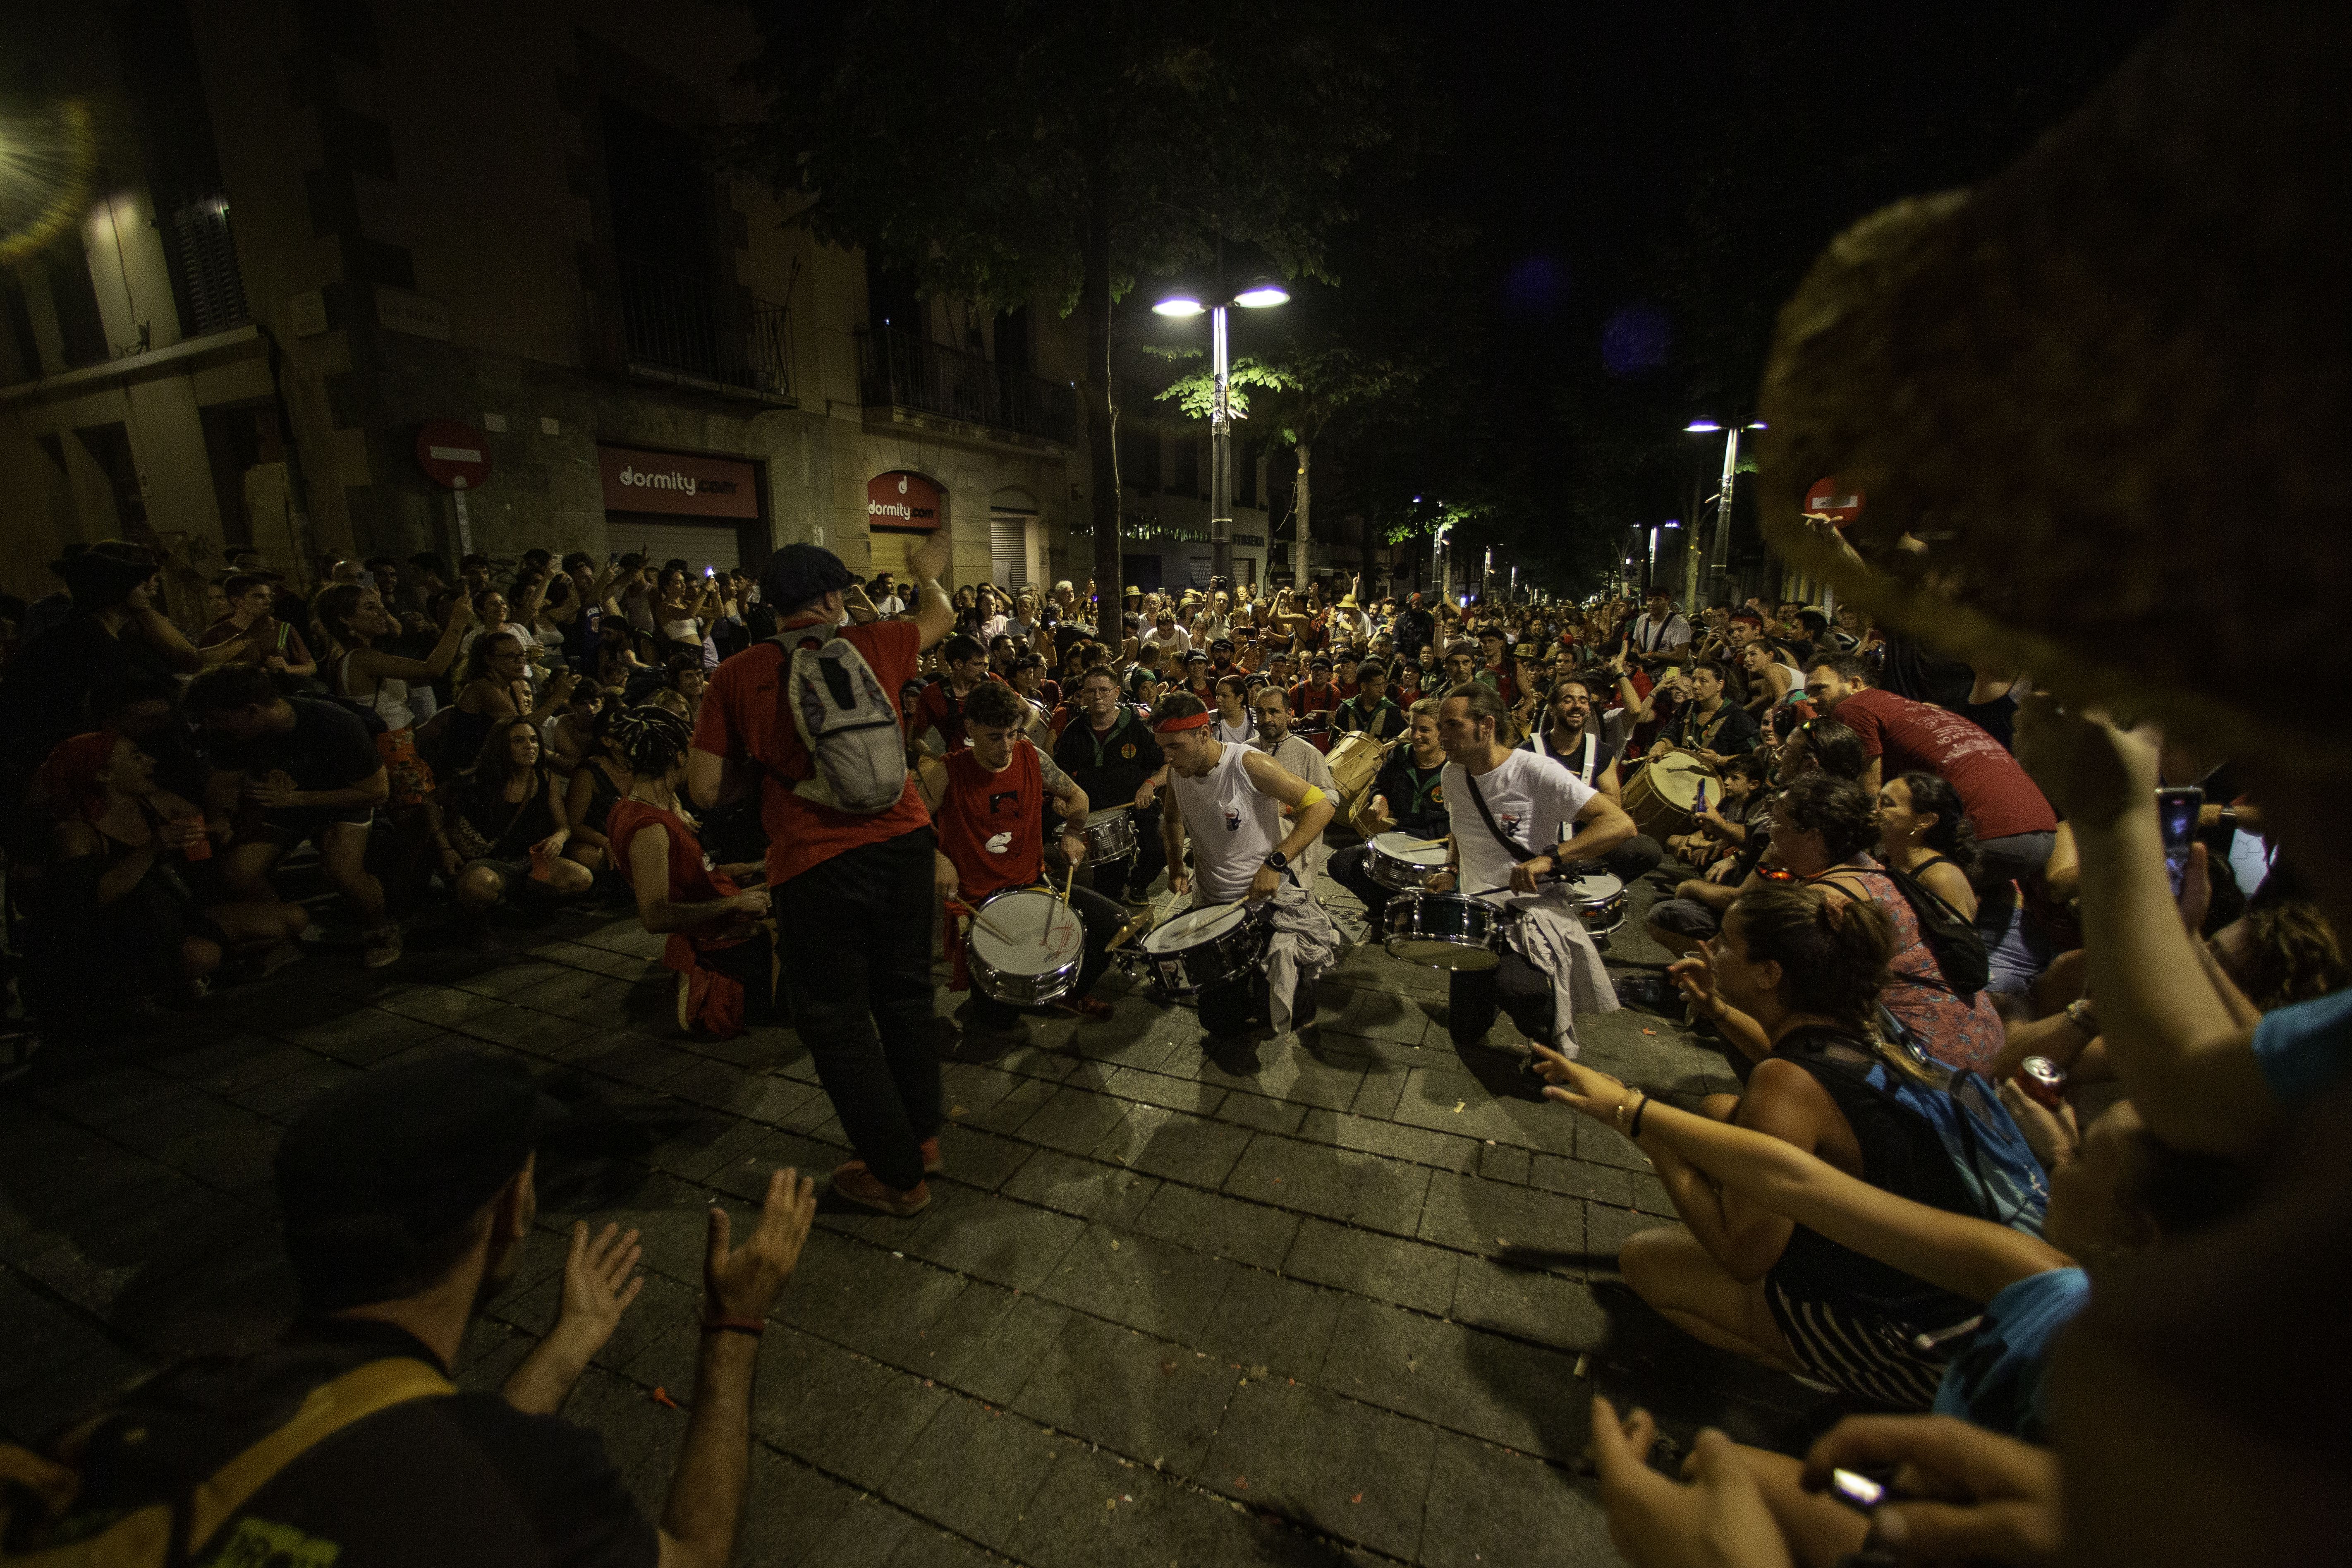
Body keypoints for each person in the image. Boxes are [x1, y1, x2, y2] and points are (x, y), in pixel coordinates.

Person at [7, 1052, 818, 1567]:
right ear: (512, 1209)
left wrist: (568, 1344)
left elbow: (419, 1448)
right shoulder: (538, 1476)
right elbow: (695, 1555)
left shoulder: (165, 1408)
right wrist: (733, 1325)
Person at [1618, 883, 1997, 1408]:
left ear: (1769, 973)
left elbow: (1739, 1254)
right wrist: (1719, 1010)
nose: (1710, 949)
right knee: (1720, 1113)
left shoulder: (1786, 1085)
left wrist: (1651, 1135)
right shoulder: (1864, 1021)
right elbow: (1797, 1062)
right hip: (1959, 1288)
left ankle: (1831, 1368)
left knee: (1644, 1261)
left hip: (1925, 1341)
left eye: (1725, 942)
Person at [691, 538, 955, 1217]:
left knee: (837, 1021)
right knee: (905, 993)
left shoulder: (735, 675)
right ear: (835, 598)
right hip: (901, 842)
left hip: (813, 863)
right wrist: (928, 575)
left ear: (768, 605)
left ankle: (897, 1178)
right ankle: (921, 1141)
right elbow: (941, 618)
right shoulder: (878, 643)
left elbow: (704, 787)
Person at [26, 730, 310, 1014]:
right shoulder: (77, 832)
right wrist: (153, 848)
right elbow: (95, 898)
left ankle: (197, 974)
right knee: (203, 954)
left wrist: (256, 803)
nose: (150, 761)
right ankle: (146, 991)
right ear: (103, 775)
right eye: (136, 757)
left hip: (180, 914)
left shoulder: (159, 803)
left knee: (294, 918)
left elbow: (222, 842)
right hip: (126, 935)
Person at [1423, 683, 1636, 1061]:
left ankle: (1548, 1042)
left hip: (1525, 914)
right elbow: (1460, 827)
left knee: (1527, 994)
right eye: (1440, 726)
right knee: (1465, 1032)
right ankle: (1491, 992)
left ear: (1486, 725)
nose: (1442, 736)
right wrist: (1452, 869)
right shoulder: (1453, 774)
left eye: (1452, 726)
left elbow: (1618, 823)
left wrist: (1551, 859)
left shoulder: (1536, 771)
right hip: (1476, 914)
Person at [922, 680, 1125, 1050]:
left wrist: (1073, 831)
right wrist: (935, 856)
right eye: (994, 737)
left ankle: (1064, 992)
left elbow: (1077, 795)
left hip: (1032, 882)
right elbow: (910, 823)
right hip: (979, 900)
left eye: (1012, 734)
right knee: (1000, 1021)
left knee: (1115, 924)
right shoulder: (949, 770)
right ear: (970, 730)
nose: (1005, 747)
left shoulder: (1031, 756)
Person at [1767, 773, 2007, 1074]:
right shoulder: (1881, 867)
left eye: (1888, 804)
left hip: (1934, 1047)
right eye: (1876, 800)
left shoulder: (1939, 875)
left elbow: (1957, 957)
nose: (1875, 810)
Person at [186, 665, 401, 968]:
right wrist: (220, 818)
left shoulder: (333, 723)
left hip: (342, 799)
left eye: (219, 718)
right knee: (238, 870)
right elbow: (223, 784)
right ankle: (285, 935)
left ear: (252, 710)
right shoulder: (231, 734)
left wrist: (296, 798)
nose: (212, 726)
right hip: (284, 803)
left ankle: (380, 928)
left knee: (342, 869)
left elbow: (377, 791)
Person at [1154, 692, 1339, 1040]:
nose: (1167, 756)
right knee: (1218, 1021)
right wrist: (1176, 863)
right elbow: (1171, 820)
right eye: (1162, 747)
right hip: (1214, 906)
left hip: (1265, 903)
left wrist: (1276, 862)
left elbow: (1322, 806)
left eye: (1175, 746)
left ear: (1204, 734)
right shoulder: (1178, 772)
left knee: (1288, 1014)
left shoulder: (1248, 764)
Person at [1804, 654, 2057, 898]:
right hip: (2042, 833)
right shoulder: (1914, 709)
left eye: (1819, 689)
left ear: (1854, 685)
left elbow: (1872, 792)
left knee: (1900, 900)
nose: (1811, 700)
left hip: (1992, 833)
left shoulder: (1853, 706)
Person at [602, 706, 775, 1038]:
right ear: (680, 758)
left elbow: (691, 875)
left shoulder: (631, 808)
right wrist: (735, 904)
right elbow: (654, 916)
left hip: (719, 909)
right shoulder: (649, 828)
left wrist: (759, 867)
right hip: (717, 937)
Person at [314, 582, 473, 812]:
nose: (382, 613)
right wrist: (457, 622)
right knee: (420, 821)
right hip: (393, 753)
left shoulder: (350, 655)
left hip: (399, 744)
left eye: (380, 606)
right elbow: (433, 669)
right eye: (370, 608)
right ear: (345, 619)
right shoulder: (361, 658)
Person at [433, 717, 596, 916]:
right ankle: (480, 919)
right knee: (479, 886)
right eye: (519, 741)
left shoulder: (545, 778)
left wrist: (558, 839)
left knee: (581, 879)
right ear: (502, 746)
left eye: (534, 740)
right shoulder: (477, 780)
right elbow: (429, 801)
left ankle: (521, 903)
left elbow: (564, 827)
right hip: (489, 861)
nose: (530, 746)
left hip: (532, 860)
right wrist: (445, 848)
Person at [1523, 675, 1665, 883]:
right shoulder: (1528, 751)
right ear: (1552, 709)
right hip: (1544, 839)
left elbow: (1614, 801)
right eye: (1568, 700)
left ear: (1589, 709)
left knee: (1648, 850)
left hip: (1587, 838)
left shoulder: (1601, 751)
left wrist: (1571, 794)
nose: (1577, 706)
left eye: (1583, 701)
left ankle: (1603, 887)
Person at [1052, 666, 1168, 907]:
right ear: (1083, 694)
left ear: (1117, 692)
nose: (1097, 697)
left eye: (1104, 690)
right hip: (1095, 813)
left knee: (1161, 848)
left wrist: (1149, 784)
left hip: (1136, 802)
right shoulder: (1075, 730)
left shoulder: (1137, 726)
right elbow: (1060, 772)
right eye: (1091, 691)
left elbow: (1169, 765)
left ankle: (1138, 884)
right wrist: (1061, 794)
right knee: (1108, 889)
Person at [1332, 696, 1450, 926]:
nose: (1415, 736)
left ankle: (1407, 912)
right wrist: (1379, 799)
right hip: (1399, 838)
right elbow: (1379, 786)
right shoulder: (1400, 755)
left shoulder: (1455, 768)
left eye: (1424, 730)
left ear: (1442, 732)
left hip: (1439, 846)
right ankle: (1384, 908)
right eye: (1412, 727)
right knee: (1341, 863)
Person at [1247, 685, 1339, 882]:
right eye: (1261, 712)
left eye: (1274, 712)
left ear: (1289, 715)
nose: (1267, 719)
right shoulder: (1246, 750)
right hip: (1250, 842)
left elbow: (1329, 798)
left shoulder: (1308, 753)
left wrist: (1287, 807)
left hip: (1290, 842)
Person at [200, 572, 318, 679]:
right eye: (259, 597)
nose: (268, 601)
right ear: (237, 601)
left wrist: (288, 669)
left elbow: (311, 666)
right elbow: (204, 671)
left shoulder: (282, 629)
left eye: (269, 596)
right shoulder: (215, 634)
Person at [910, 633, 995, 753]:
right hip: (961, 765)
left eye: (984, 664)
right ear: (958, 664)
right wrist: (940, 761)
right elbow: (914, 739)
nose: (983, 670)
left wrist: (1022, 731)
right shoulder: (933, 694)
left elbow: (1029, 712)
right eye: (977, 665)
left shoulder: (992, 681)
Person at [1332, 658, 1407, 740]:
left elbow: (1399, 744)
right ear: (1363, 686)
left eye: (1383, 685)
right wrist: (1339, 741)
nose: (1382, 690)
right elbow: (1333, 742)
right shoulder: (1345, 709)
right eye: (1377, 686)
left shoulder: (1392, 711)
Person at [1210, 673, 1256, 745]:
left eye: (1224, 696)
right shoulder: (1210, 719)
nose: (1218, 700)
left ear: (1240, 698)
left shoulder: (1255, 717)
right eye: (1218, 695)